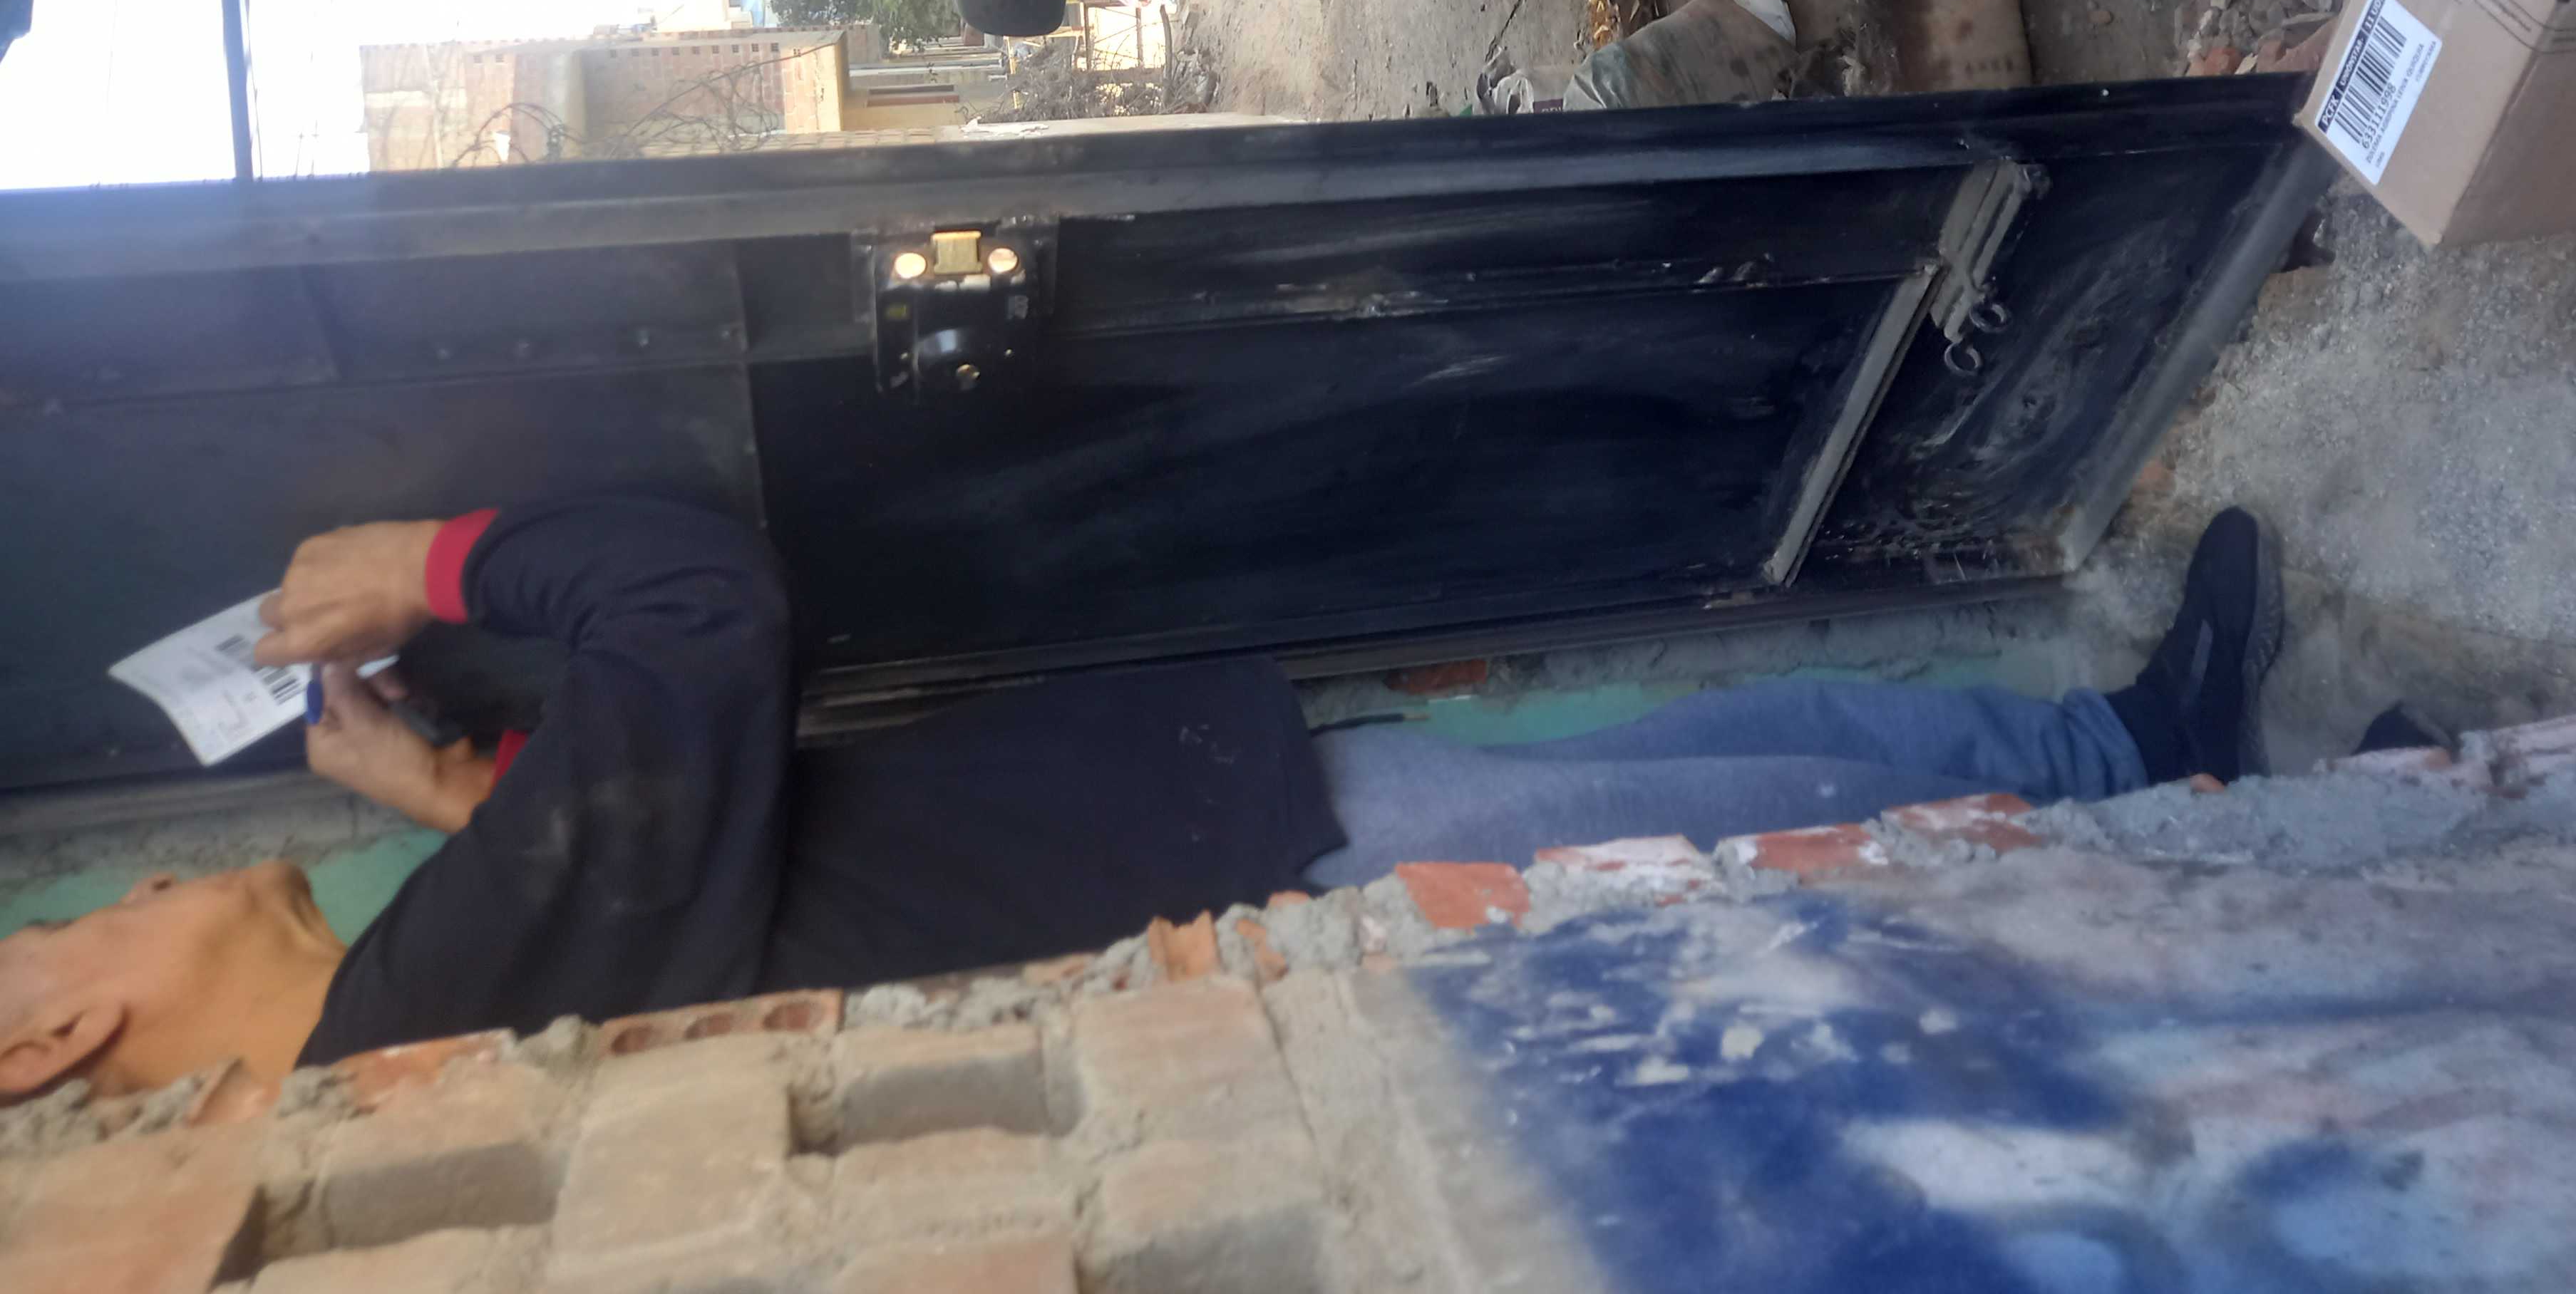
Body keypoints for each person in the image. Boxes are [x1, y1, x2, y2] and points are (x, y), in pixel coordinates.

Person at [0, 497, 2281, 1106]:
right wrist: (432, 563)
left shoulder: (450, 997)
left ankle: (2136, 755)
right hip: (1249, 868)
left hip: (1225, 834)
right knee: (1766, 811)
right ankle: (2162, 783)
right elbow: (694, 608)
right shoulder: (423, 1011)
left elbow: (682, 878)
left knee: (1742, 786)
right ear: (50, 1040)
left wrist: (459, 782)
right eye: (43, 944)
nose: (95, 915)